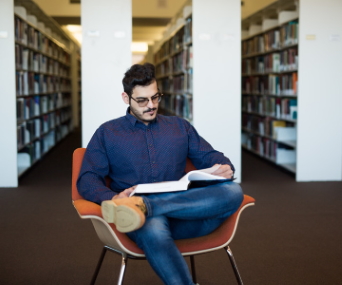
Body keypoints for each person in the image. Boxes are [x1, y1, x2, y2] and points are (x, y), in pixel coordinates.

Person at [77, 63, 243, 285]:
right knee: (152, 226)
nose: (151, 105)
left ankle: (146, 204)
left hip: (188, 214)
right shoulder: (108, 133)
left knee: (232, 191)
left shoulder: (179, 127)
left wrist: (223, 166)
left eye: (156, 97)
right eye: (143, 100)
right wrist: (113, 198)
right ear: (126, 98)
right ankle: (142, 209)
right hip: (139, 221)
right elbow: (87, 179)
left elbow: (209, 156)